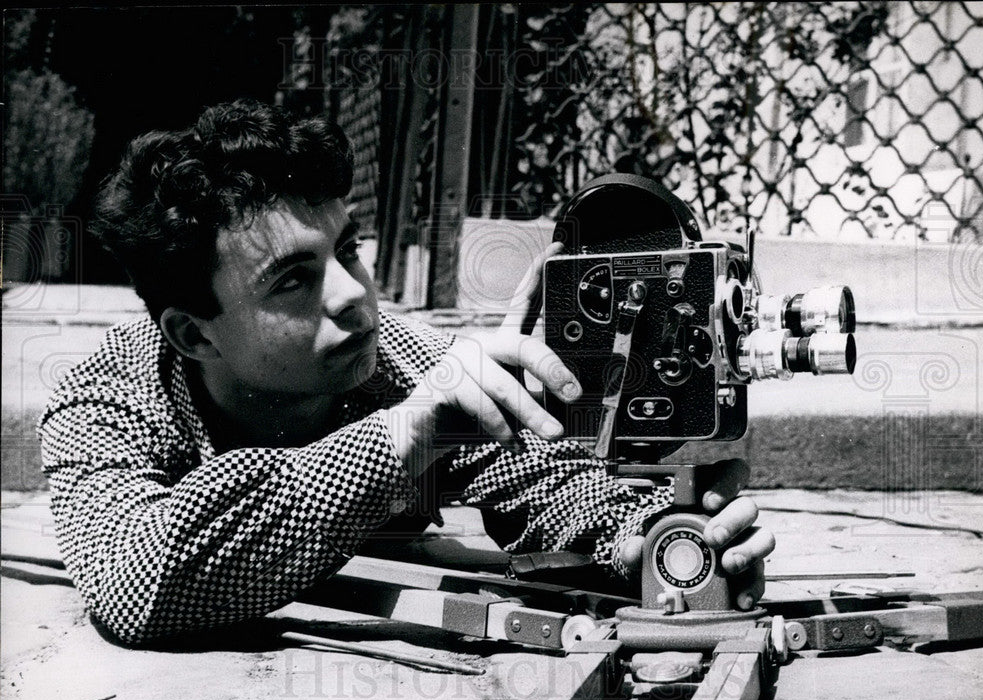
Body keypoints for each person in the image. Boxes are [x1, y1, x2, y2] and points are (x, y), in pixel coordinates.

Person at [38, 100, 774, 646]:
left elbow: (543, 478)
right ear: (193, 334)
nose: (355, 294)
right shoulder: (107, 395)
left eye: (348, 249)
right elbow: (134, 581)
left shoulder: (394, 355)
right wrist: (403, 438)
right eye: (293, 281)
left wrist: (646, 539)